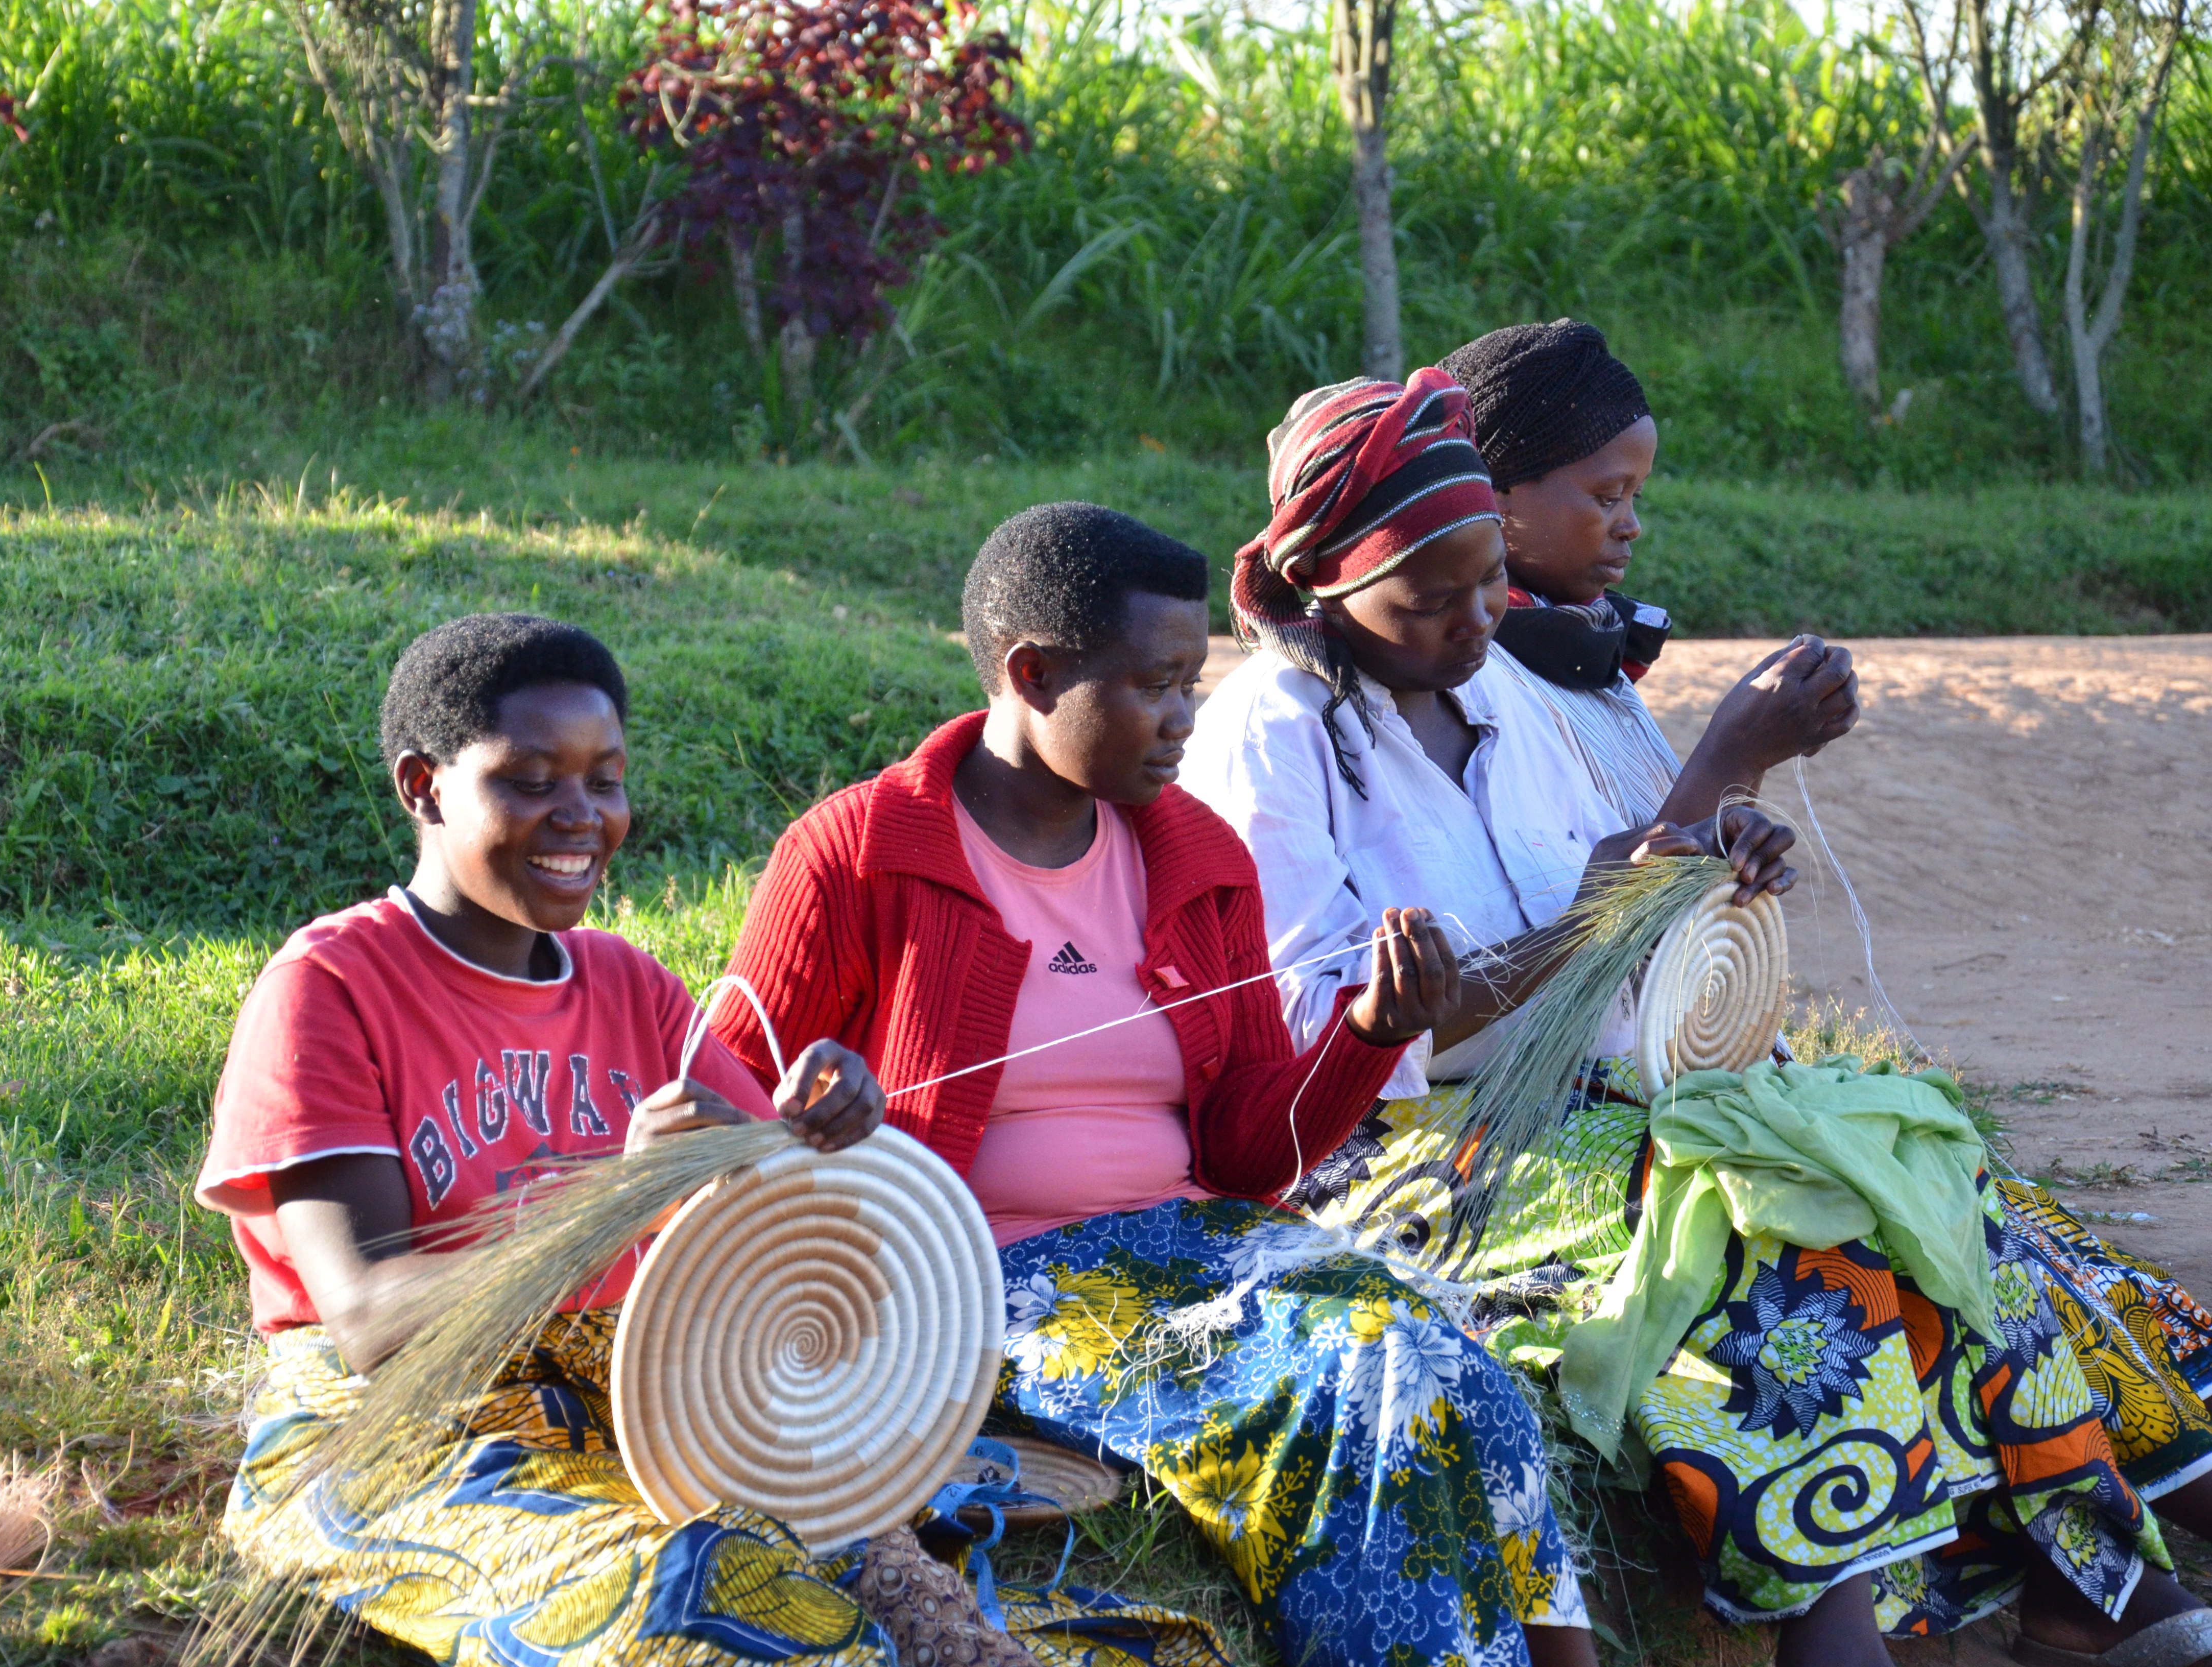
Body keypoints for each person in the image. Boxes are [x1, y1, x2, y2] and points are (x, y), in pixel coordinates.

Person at [1180, 370, 2212, 1667]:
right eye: (1429, 599)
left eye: (1489, 582)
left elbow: (1603, 877)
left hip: (1584, 1097)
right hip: (1401, 1151)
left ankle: (2089, 1578)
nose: (1475, 621)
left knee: (1911, 1163)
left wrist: (1699, 850)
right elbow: (1327, 1035)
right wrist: (1594, 913)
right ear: (1321, 580)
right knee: (1739, 1206)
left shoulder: (1495, 689)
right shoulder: (1270, 731)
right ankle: (1833, 1633)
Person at [714, 501, 1606, 1667]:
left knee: (1459, 1376)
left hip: (1202, 1247)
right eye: (1157, 686)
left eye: (1194, 680)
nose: (1187, 719)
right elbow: (718, 1089)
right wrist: (807, 1112)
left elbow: (1246, 1151)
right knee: (1359, 1390)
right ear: (1033, 674)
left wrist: (1371, 1029)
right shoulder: (865, 853)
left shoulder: (1196, 856)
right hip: (980, 1292)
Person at [194, 613, 1021, 1667]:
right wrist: (608, 1200)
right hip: (405, 1434)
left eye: (605, 780)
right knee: (700, 1596)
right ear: (424, 784)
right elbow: (367, 1318)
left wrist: (827, 1123)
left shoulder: (630, 986)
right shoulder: (332, 988)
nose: (579, 816)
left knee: (907, 1597)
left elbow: (769, 1201)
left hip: (637, 1410)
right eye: (531, 780)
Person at [1436, 318, 1858, 827]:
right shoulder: (1466, 680)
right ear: (1493, 499)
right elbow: (1596, 903)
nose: (1631, 526)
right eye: (1608, 498)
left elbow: (1647, 852)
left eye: (1636, 497)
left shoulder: (1577, 648)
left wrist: (1737, 825)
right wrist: (1737, 752)